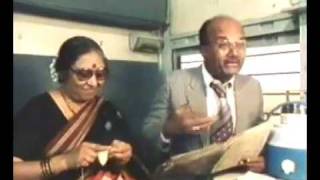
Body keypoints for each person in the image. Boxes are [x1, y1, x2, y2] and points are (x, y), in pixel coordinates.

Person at [142, 15, 265, 178]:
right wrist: (169, 128)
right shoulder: (175, 82)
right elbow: (147, 136)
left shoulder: (253, 87)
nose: (234, 52)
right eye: (223, 45)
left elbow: (259, 137)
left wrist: (262, 159)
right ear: (204, 50)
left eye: (240, 44)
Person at [14, 36, 136, 180]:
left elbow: (123, 165)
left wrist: (124, 156)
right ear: (65, 72)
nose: (93, 82)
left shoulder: (108, 111)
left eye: (100, 75)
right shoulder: (38, 109)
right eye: (84, 74)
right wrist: (65, 162)